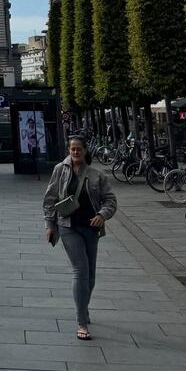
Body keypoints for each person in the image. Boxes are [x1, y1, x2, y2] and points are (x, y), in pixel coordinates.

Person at [43, 134, 117, 341]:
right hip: (68, 226)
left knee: (90, 276)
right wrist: (50, 225)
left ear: (85, 150)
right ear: (69, 150)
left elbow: (110, 200)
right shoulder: (60, 170)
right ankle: (81, 322)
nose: (75, 152)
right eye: (72, 149)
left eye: (79, 149)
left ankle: (83, 307)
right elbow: (50, 199)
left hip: (91, 228)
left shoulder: (96, 175)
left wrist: (102, 215)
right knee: (81, 270)